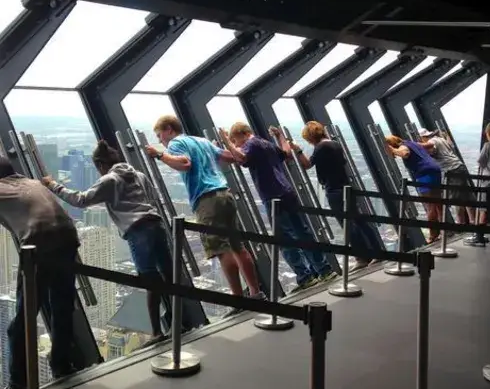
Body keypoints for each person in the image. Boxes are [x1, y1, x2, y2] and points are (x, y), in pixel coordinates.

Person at [42, 140, 194, 345]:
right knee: (168, 277)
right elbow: (153, 198)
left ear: (100, 165)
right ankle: (180, 323)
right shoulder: (139, 175)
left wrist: (53, 185)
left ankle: (157, 332)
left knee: (150, 281)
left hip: (137, 230)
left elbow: (81, 200)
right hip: (156, 225)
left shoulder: (110, 180)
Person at [146, 115, 264, 316]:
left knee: (221, 248)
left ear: (169, 129)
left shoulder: (176, 143)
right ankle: (255, 293)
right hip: (225, 194)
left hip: (207, 199)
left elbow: (184, 163)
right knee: (237, 246)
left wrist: (160, 155)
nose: (160, 141)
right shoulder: (202, 141)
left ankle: (238, 301)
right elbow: (229, 157)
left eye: (160, 135)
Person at [219, 122, 337, 292]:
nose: (237, 145)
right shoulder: (266, 144)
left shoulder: (251, 144)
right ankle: (324, 270)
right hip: (287, 191)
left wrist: (225, 141)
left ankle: (305, 277)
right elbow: (287, 154)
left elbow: (241, 157)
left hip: (273, 195)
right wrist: (279, 136)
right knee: (302, 231)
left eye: (236, 140)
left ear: (244, 134)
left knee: (284, 238)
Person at [0, 157, 81, 389]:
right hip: (68, 237)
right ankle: (62, 366)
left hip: (39, 243)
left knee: (22, 321)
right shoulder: (33, 183)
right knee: (62, 307)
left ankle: (18, 383)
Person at [292, 121, 379, 270]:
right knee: (359, 221)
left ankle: (362, 257)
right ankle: (376, 251)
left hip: (334, 190)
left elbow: (307, 164)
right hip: (346, 186)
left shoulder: (321, 147)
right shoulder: (334, 144)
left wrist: (298, 150)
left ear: (311, 137)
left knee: (348, 225)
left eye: (308, 139)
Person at [384, 134, 443, 244]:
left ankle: (433, 235)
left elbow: (405, 153)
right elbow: (427, 146)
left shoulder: (402, 147)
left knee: (430, 206)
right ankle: (446, 229)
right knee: (438, 203)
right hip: (434, 169)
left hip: (424, 174)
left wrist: (393, 150)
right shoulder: (411, 143)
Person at [418, 129, 477, 225]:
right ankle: (472, 220)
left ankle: (462, 223)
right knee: (466, 194)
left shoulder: (431, 142)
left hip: (451, 169)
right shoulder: (440, 139)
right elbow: (452, 146)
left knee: (456, 198)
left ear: (423, 137)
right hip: (459, 166)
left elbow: (431, 151)